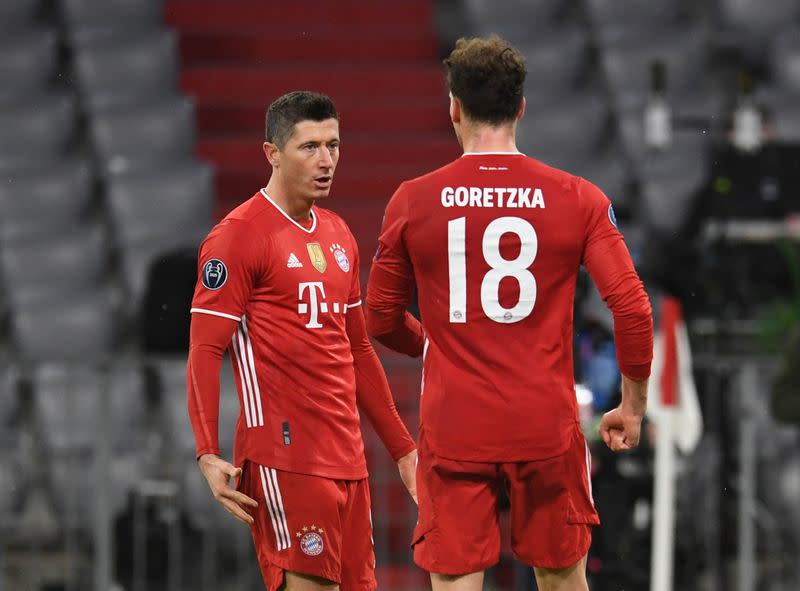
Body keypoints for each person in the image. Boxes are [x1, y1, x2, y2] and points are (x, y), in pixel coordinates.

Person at [365, 36, 654, 591]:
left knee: (454, 581)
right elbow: (633, 309)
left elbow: (379, 317)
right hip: (545, 422)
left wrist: (433, 344)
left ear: (453, 107)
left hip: (455, 424)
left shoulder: (413, 200)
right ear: (522, 106)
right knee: (563, 575)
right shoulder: (579, 198)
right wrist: (633, 406)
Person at [186, 91, 417, 591]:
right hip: (285, 457)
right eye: (309, 146)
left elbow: (356, 350)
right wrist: (207, 450)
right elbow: (205, 349)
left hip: (349, 461)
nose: (327, 160)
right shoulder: (238, 236)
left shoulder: (338, 233)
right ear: (271, 153)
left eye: (333, 145)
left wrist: (403, 449)